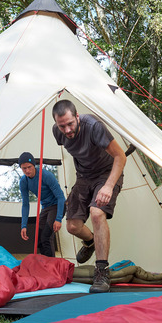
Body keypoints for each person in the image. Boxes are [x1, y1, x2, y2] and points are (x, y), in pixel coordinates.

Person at [51, 99, 126, 293]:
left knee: (96, 213)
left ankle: (102, 271)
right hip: (84, 176)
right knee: (73, 226)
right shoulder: (57, 133)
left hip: (106, 173)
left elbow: (120, 156)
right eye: (62, 126)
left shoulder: (94, 126)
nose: (67, 130)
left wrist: (108, 187)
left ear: (77, 117)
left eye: (70, 124)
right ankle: (90, 241)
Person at [18, 151, 65, 258]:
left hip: (57, 205)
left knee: (46, 237)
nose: (27, 170)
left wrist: (58, 219)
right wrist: (23, 225)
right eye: (24, 168)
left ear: (34, 165)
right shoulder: (23, 181)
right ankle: (45, 265)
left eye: (29, 167)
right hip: (46, 208)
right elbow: (25, 204)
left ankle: (51, 266)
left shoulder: (46, 175)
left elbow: (61, 197)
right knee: (39, 240)